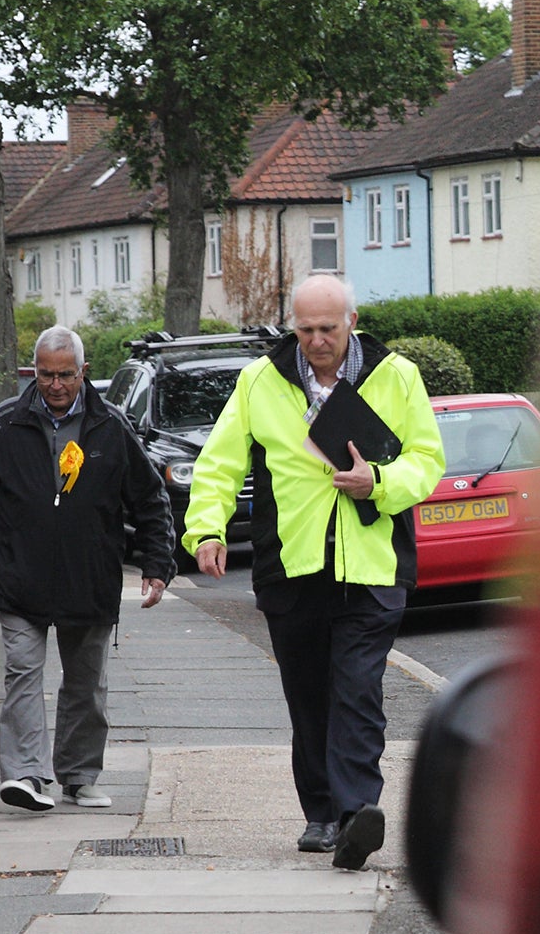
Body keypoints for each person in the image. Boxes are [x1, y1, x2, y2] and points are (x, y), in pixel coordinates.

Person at [184, 276, 444, 869]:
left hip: (373, 564)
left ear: (353, 320)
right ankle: (321, 815)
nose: (317, 341)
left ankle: (357, 815)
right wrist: (206, 530)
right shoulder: (260, 381)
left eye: (328, 328)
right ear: (292, 326)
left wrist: (377, 482)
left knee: (357, 690)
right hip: (290, 564)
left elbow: (427, 461)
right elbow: (219, 463)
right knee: (309, 695)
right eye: (305, 330)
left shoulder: (395, 375)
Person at [0, 326, 174, 811]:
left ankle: (77, 774)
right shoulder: (7, 423)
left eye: (65, 375)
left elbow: (149, 498)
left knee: (85, 683)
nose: (55, 385)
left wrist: (157, 563)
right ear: (34, 372)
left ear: (83, 373)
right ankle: (26, 775)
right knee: (23, 672)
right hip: (19, 574)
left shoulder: (110, 426)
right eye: (46, 375)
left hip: (88, 577)